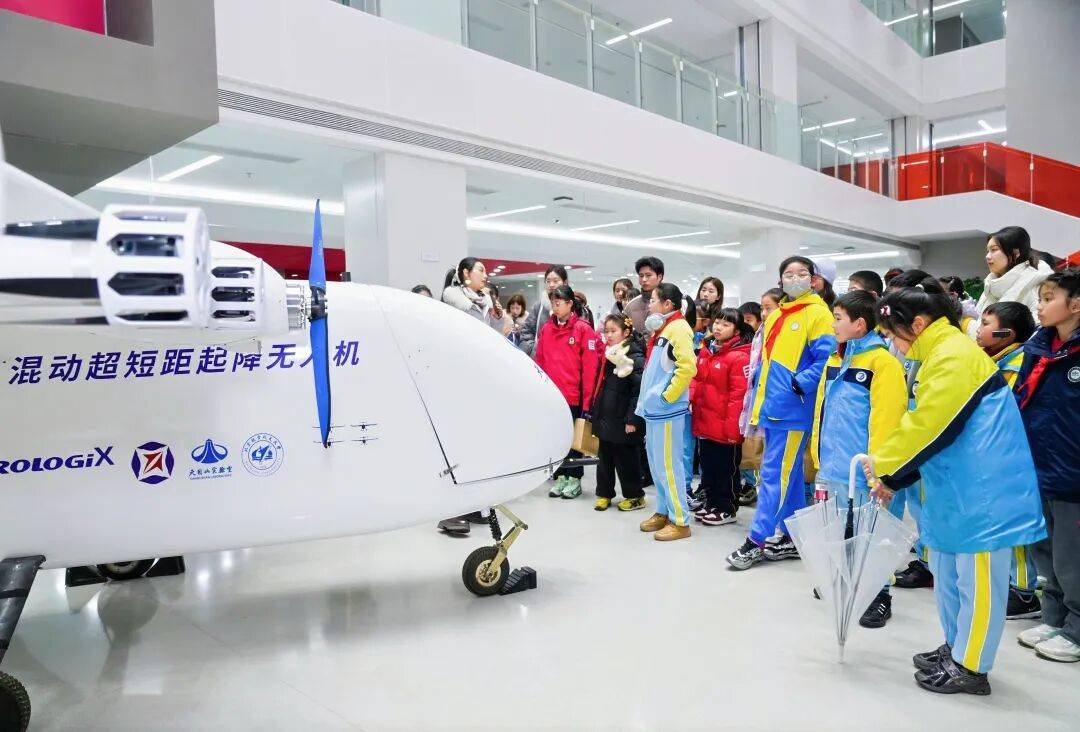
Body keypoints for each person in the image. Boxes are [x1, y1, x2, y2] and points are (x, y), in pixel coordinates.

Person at [866, 278, 1046, 695]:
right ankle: (956, 646)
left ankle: (972, 665)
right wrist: (894, 474)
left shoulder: (953, 356)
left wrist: (885, 468)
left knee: (978, 581)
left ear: (918, 324)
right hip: (955, 485)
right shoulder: (937, 354)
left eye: (893, 333)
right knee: (949, 572)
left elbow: (929, 424)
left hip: (983, 489)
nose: (893, 343)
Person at [727, 259, 835, 570]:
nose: (795, 278)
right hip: (772, 407)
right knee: (789, 474)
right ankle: (791, 534)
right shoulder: (778, 315)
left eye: (802, 273)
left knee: (776, 474)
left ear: (813, 280)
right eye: (789, 274)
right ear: (780, 280)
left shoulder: (818, 314)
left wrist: (799, 384)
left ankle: (757, 539)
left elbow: (826, 359)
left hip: (793, 410)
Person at [809, 290, 907, 628]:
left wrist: (878, 471)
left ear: (860, 324)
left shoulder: (883, 364)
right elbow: (821, 411)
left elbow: (888, 422)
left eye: (838, 319)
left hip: (865, 470)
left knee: (872, 532)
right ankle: (846, 578)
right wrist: (818, 453)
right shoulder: (835, 360)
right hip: (834, 465)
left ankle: (879, 594)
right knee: (841, 526)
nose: (833, 325)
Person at [1014, 268, 1080, 663]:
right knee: (1046, 550)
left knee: (1073, 557)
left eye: (1048, 298)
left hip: (1074, 474)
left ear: (1076, 305)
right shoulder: (1038, 348)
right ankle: (1054, 618)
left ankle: (1077, 630)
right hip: (1039, 467)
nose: (1039, 306)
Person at [976, 301, 1041, 621]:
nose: (978, 329)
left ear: (1007, 333)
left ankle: (1024, 591)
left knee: (1015, 522)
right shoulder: (992, 361)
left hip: (1012, 456)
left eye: (986, 324)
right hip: (994, 454)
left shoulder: (1019, 365)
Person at [636, 283, 698, 541]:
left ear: (667, 304)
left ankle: (680, 521)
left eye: (653, 300)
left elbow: (688, 367)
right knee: (656, 465)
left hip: (667, 411)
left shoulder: (679, 328)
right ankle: (663, 511)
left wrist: (667, 397)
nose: (649, 305)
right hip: (655, 411)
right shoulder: (664, 329)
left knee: (669, 466)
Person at [535, 285, 601, 500]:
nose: (554, 307)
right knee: (556, 439)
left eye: (558, 303)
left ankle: (574, 479)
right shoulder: (547, 329)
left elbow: (590, 368)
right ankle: (561, 476)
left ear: (570, 304)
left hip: (573, 396)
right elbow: (540, 362)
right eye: (552, 303)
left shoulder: (583, 329)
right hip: (552, 396)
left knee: (574, 440)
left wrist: (587, 402)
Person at [691, 309, 752, 526]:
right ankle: (711, 503)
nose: (718, 327)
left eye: (726, 325)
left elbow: (738, 397)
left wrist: (733, 429)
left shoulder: (739, 356)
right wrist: (691, 398)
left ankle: (727, 509)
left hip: (726, 427)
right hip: (705, 421)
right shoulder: (707, 350)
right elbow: (696, 379)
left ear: (736, 330)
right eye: (717, 322)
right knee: (708, 468)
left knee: (726, 470)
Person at [590, 313, 647, 512]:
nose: (608, 335)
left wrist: (632, 419)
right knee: (604, 459)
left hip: (624, 419)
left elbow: (638, 392)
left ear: (626, 332)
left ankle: (635, 496)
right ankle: (604, 493)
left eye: (613, 331)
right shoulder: (608, 354)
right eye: (606, 331)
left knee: (627, 460)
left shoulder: (634, 356)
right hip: (607, 416)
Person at [736, 288, 783, 507]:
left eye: (768, 308)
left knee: (773, 460)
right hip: (757, 398)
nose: (764, 314)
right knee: (759, 457)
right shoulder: (762, 332)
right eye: (762, 308)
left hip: (775, 403)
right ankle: (762, 498)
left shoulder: (783, 333)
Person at [972, 226, 1053, 336]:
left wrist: (967, 322)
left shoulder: (1035, 284)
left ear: (1015, 253)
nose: (987, 256)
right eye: (988, 251)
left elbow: (1033, 333)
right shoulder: (992, 283)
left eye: (994, 250)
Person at [441, 257, 504, 331]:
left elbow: (493, 333)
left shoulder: (484, 302)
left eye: (485, 272)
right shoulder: (456, 301)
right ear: (466, 273)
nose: (485, 276)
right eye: (481, 270)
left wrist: (497, 317)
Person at [520, 265, 568, 356]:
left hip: (565, 360)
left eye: (555, 281)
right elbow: (526, 331)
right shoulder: (539, 306)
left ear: (565, 282)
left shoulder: (573, 306)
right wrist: (534, 350)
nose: (551, 285)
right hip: (541, 359)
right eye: (548, 281)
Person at [625, 257, 665, 334]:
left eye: (648, 275)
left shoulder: (670, 303)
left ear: (659, 277)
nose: (644, 279)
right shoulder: (631, 306)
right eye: (641, 276)